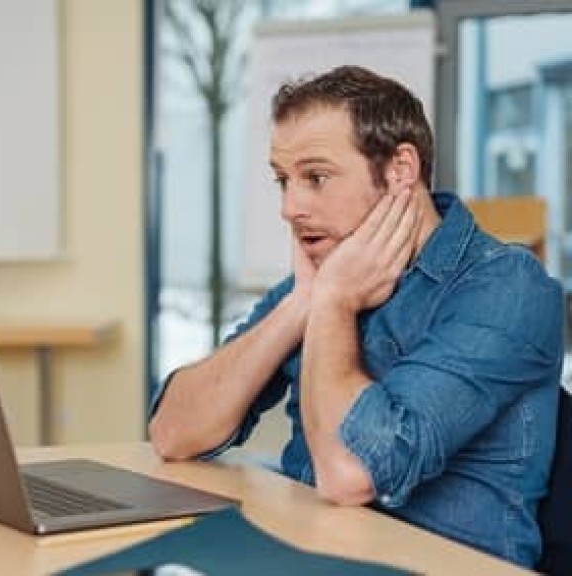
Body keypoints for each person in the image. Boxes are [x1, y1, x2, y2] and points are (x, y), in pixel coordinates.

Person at [148, 65, 564, 569]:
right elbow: (173, 432)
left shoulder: (507, 286)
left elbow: (350, 474)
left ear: (399, 171)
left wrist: (332, 305)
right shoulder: (326, 277)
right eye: (283, 181)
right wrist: (302, 304)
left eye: (316, 177)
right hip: (308, 556)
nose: (290, 207)